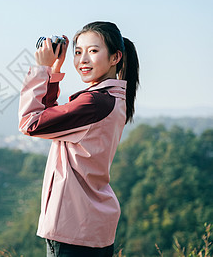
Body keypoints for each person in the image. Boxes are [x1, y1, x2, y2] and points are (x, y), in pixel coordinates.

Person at [18, 21, 139, 257]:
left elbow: (30, 123)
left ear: (115, 57)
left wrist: (41, 70)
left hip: (72, 229)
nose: (83, 59)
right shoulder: (112, 98)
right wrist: (54, 71)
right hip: (94, 226)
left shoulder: (94, 103)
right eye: (77, 52)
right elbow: (52, 117)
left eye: (93, 51)